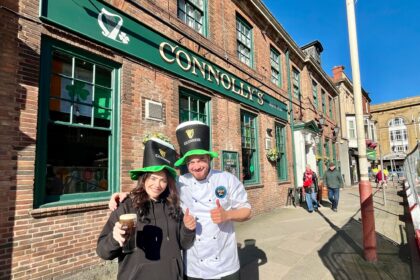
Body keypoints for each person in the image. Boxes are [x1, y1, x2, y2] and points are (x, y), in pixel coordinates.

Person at [109, 121, 252, 280]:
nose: (196, 166)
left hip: (226, 264)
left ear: (209, 159)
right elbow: (154, 188)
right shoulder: (180, 182)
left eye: (201, 160)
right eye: (191, 162)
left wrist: (227, 215)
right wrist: (126, 194)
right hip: (194, 267)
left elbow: (247, 211)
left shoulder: (227, 179)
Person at [97, 138, 196, 280]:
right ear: (144, 179)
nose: (158, 185)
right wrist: (114, 239)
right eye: (153, 178)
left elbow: (184, 244)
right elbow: (103, 252)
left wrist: (188, 229)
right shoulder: (126, 206)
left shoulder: (173, 207)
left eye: (163, 180)